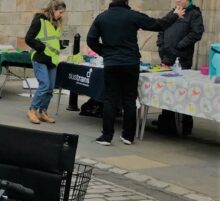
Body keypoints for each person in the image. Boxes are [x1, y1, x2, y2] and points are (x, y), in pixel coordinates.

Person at [88, 0, 184, 146]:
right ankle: (128, 136)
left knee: (110, 99)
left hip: (112, 63)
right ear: (127, 2)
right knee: (129, 99)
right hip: (130, 63)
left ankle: (106, 136)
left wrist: (105, 53)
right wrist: (175, 15)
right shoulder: (132, 15)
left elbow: (91, 39)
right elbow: (157, 24)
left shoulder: (102, 17)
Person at [156, 0, 204, 135]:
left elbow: (196, 33)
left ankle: (185, 124)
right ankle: (167, 121)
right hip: (166, 57)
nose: (178, 0)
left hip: (181, 59)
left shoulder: (194, 14)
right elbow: (161, 28)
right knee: (167, 89)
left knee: (182, 91)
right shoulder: (173, 12)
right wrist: (160, 44)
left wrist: (180, 45)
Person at [25, 1, 66, 125]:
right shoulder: (39, 20)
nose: (61, 15)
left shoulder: (56, 23)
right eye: (60, 12)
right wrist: (41, 48)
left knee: (50, 88)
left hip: (52, 60)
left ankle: (42, 111)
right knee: (44, 85)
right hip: (40, 58)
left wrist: (60, 45)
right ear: (53, 9)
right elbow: (29, 38)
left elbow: (52, 40)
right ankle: (32, 110)